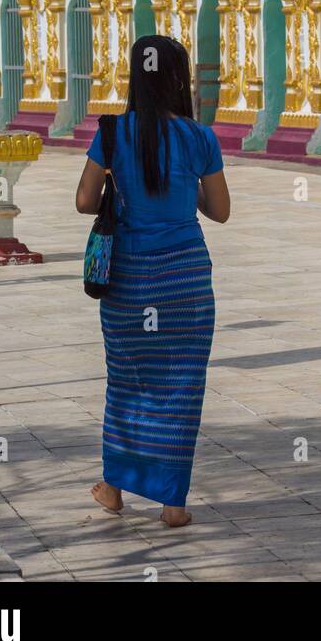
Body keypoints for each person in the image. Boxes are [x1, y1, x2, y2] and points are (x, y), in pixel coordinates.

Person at [75, 35, 231, 528]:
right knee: (181, 386)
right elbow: (221, 211)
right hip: (184, 278)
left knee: (128, 382)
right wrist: (187, 196)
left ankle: (113, 488)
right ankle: (173, 504)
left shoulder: (112, 133)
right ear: (178, 80)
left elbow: (83, 200)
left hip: (129, 281)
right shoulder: (199, 136)